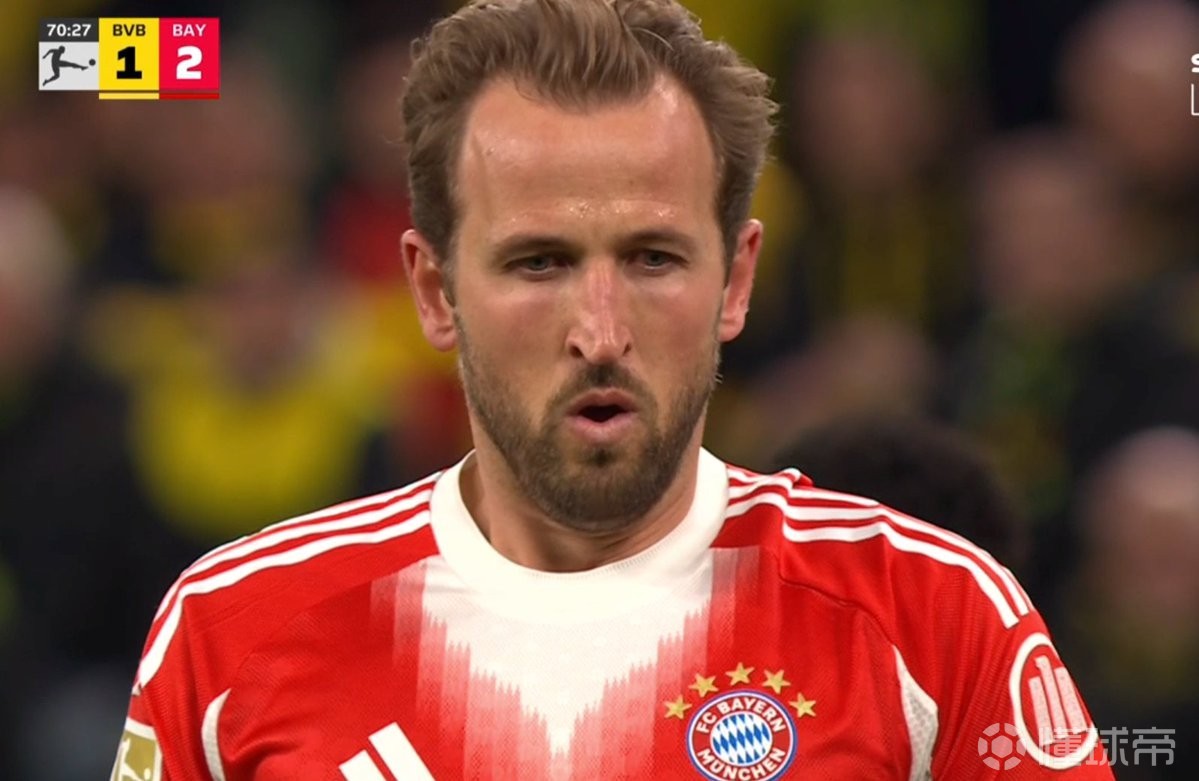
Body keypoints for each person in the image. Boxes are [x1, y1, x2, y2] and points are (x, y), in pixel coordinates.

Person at [112, 1, 1114, 778]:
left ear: (735, 281)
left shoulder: (931, 614)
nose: (599, 331)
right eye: (538, 262)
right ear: (433, 291)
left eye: (651, 259)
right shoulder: (232, 632)